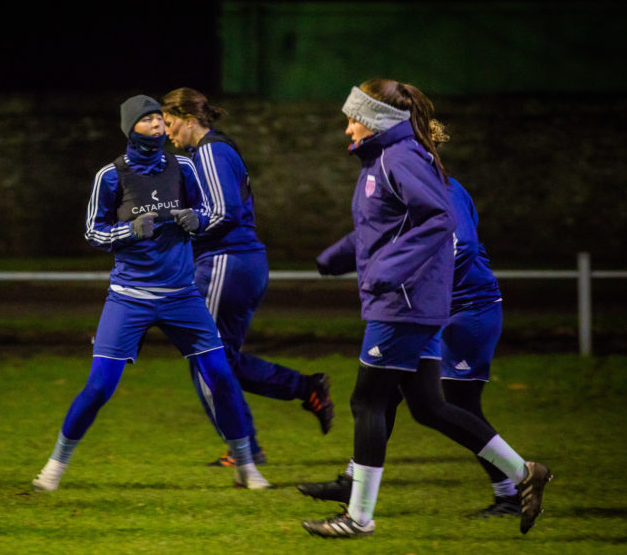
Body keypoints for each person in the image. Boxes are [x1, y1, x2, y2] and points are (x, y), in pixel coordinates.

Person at [298, 79, 552, 538]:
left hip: (404, 302)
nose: (347, 129)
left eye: (352, 119)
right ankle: (523, 472)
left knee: (368, 401)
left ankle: (358, 517)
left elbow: (440, 218)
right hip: (409, 300)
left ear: (374, 120)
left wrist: (387, 270)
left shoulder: (399, 157)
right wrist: (339, 256)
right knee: (430, 406)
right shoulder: (383, 160)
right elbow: (385, 230)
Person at [32, 94, 270, 491]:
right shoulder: (110, 176)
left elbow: (211, 211)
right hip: (129, 297)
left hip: (182, 296)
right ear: (130, 129)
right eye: (148, 122)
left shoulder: (185, 167)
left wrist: (197, 219)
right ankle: (55, 465)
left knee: (221, 378)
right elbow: (93, 232)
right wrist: (128, 230)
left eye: (161, 120)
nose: (159, 127)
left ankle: (246, 467)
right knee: (99, 387)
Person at [300, 173, 522, 517]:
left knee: (457, 404)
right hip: (430, 311)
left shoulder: (445, 188)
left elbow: (460, 246)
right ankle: (353, 482)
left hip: (467, 311)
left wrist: (422, 286)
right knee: (384, 397)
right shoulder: (406, 186)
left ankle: (513, 488)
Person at [160, 87, 334, 467]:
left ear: (190, 121)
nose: (167, 133)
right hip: (238, 263)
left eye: (171, 124)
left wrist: (190, 223)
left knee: (205, 357)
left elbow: (225, 210)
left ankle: (245, 449)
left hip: (227, 261)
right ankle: (305, 389)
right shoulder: (211, 152)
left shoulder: (211, 151)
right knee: (221, 359)